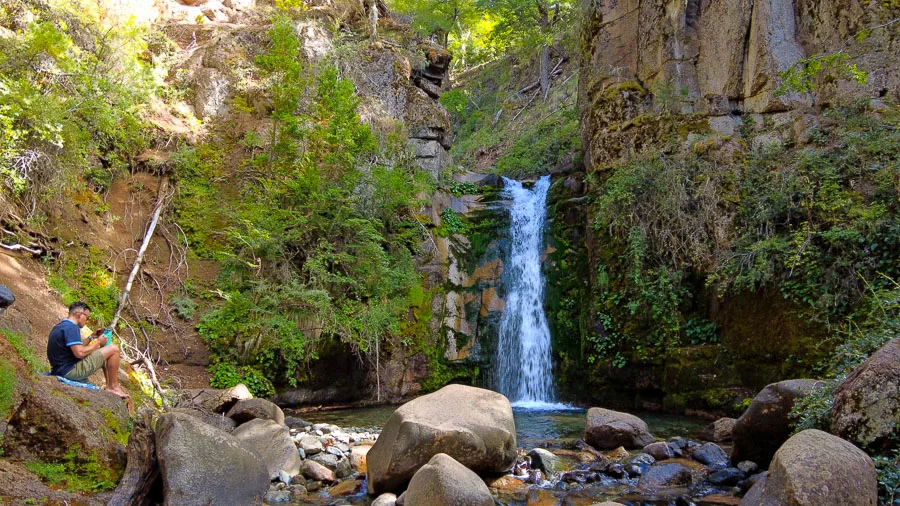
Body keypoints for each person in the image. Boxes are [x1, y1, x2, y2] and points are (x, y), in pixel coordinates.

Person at [47, 301, 128, 399]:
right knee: (114, 349)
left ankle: (110, 386)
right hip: (70, 371)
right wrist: (98, 342)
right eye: (87, 317)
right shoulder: (72, 328)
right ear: (79, 314)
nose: (87, 320)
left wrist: (91, 337)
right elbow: (80, 353)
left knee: (105, 353)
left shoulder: (61, 326)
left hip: (61, 369)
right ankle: (113, 387)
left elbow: (77, 348)